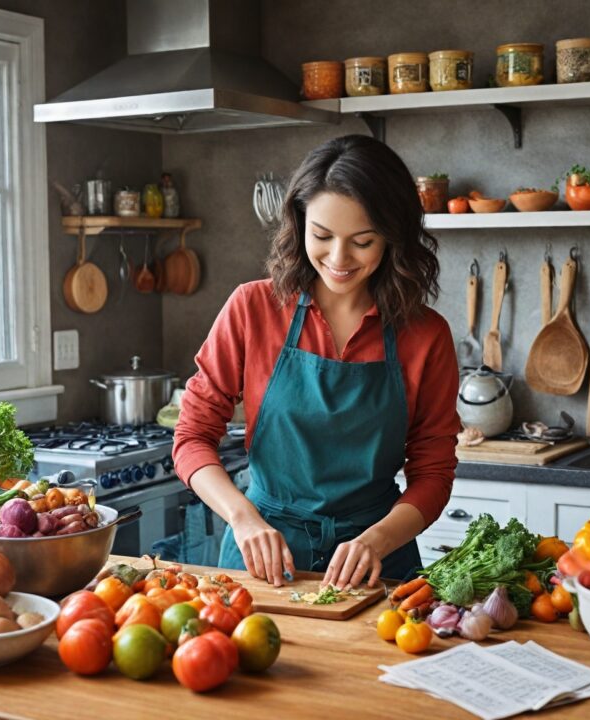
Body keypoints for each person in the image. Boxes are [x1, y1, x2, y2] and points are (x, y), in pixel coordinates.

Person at [173, 134, 460, 590]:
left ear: (392, 237)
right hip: (261, 557)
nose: (339, 259)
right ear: (299, 223)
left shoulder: (426, 335)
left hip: (378, 563)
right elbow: (191, 438)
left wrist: (379, 539)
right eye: (322, 236)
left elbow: (434, 471)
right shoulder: (252, 308)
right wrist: (243, 518)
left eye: (362, 242)